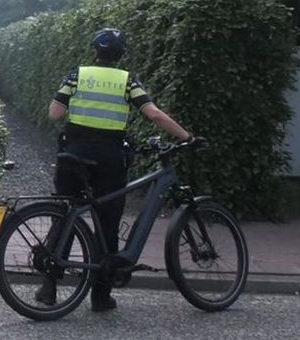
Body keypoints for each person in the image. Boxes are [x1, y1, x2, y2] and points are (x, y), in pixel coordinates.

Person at [37, 27, 194, 312]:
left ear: (94, 52)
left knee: (65, 216)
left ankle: (49, 288)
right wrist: (187, 137)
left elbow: (55, 114)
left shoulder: (77, 75)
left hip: (73, 156)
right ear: (121, 56)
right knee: (107, 224)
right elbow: (153, 113)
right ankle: (101, 296)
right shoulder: (127, 81)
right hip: (109, 160)